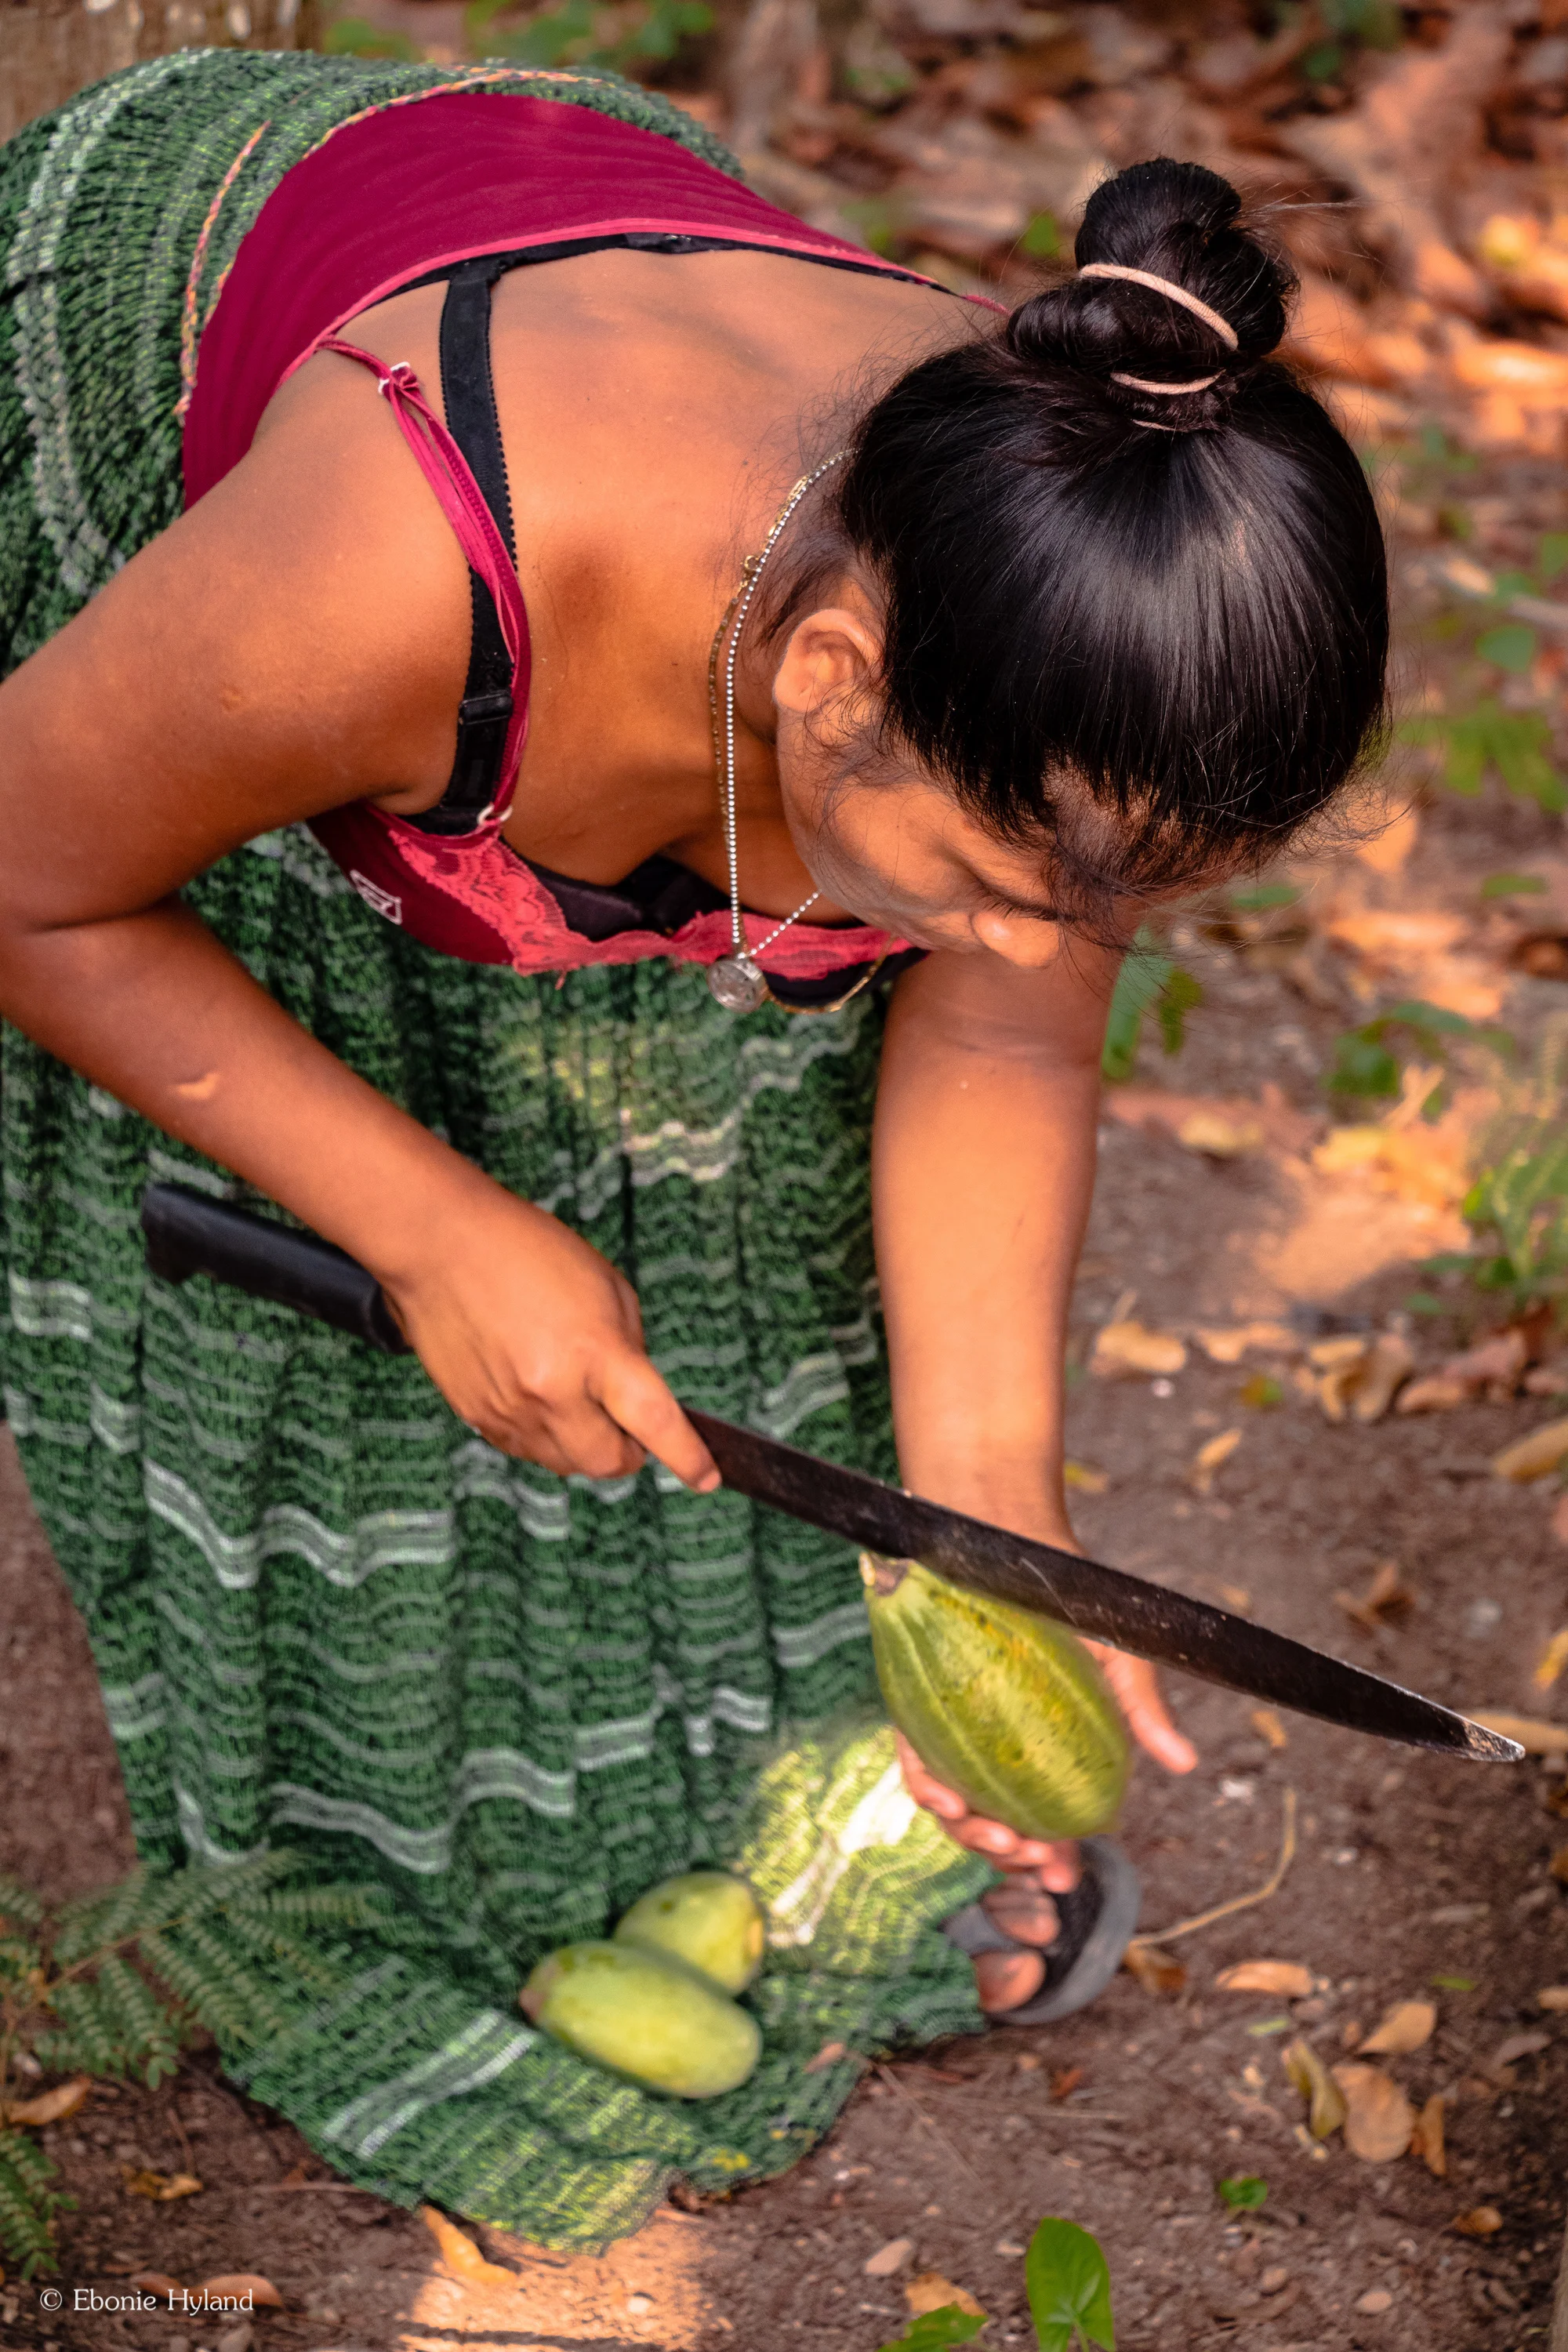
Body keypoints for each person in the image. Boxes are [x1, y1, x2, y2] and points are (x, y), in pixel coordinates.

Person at [0, 50, 1387, 2245]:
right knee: (369, 1274)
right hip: (219, 485)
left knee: (757, 1302)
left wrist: (993, 1522)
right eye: (1018, 889)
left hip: (647, 605)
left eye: (1109, 912)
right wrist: (431, 1226)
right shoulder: (384, 574)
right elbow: (27, 875)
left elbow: (1006, 1051)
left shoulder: (1066, 607)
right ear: (831, 674)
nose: (1049, 955)